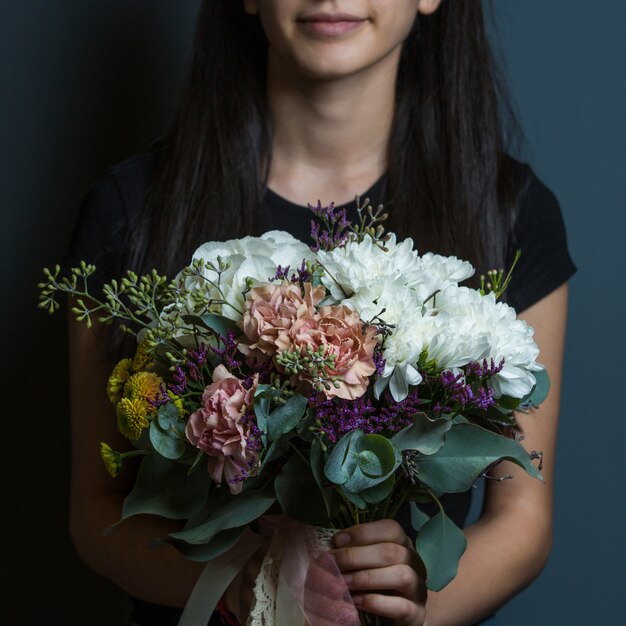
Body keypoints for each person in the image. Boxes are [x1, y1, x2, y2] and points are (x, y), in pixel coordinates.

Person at [65, 2, 576, 625]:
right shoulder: (132, 212)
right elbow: (98, 510)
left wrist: (415, 599)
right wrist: (231, 582)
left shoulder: (510, 215)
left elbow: (521, 514)